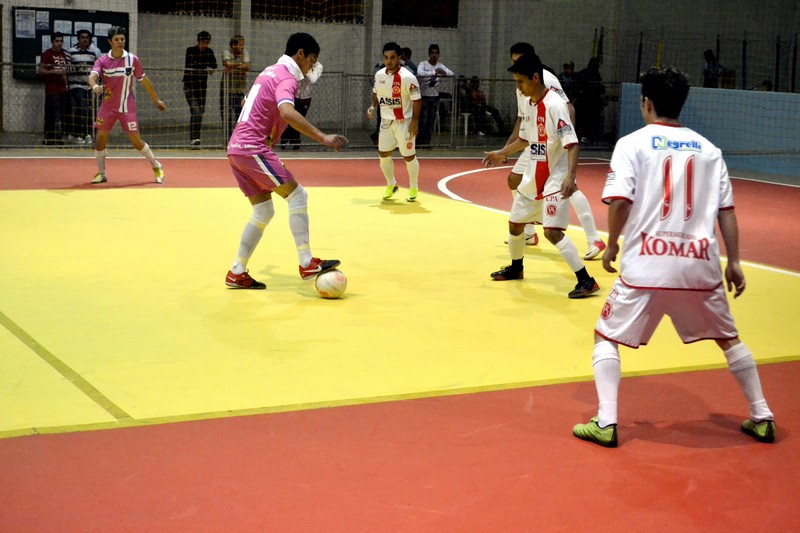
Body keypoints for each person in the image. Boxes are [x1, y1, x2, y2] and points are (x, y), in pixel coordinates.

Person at [572, 67, 775, 447]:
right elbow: (726, 212)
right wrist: (734, 261)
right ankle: (762, 415)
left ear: (645, 103)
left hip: (648, 264)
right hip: (699, 265)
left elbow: (619, 201)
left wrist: (612, 243)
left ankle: (606, 421)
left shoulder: (632, 144)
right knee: (729, 339)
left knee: (605, 336)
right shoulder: (710, 151)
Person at [224, 32, 348, 290]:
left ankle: (237, 271)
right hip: (252, 148)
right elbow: (286, 112)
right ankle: (306, 262)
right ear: (300, 54)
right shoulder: (286, 77)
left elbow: (254, 105)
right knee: (298, 196)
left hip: (237, 149)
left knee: (263, 210)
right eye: (312, 59)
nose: (312, 66)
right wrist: (323, 137)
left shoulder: (269, 71)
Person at [483, 53, 599, 299]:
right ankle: (516, 268)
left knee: (551, 233)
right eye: (515, 81)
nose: (518, 87)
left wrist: (570, 176)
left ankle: (586, 280)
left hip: (554, 179)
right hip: (533, 176)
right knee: (515, 225)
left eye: (520, 81)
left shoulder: (555, 105)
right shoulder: (531, 104)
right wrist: (502, 153)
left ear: (535, 78)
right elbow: (525, 139)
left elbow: (572, 142)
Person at [497, 43, 605, 259]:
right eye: (512, 61)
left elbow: (568, 108)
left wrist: (566, 142)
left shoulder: (546, 78)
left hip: (552, 143)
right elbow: (522, 118)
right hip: (533, 142)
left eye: (517, 61)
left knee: (568, 188)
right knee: (514, 179)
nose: (514, 65)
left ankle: (595, 239)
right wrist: (506, 149)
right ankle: (528, 231)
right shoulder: (520, 81)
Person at [88, 26, 167, 184]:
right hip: (107, 107)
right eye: (116, 39)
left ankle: (156, 165)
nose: (120, 42)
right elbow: (92, 77)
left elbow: (144, 80)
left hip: (126, 107)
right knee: (100, 138)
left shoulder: (132, 60)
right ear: (110, 41)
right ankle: (102, 173)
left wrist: (156, 100)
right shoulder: (103, 60)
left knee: (136, 142)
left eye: (122, 39)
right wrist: (94, 86)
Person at [367, 41, 422, 202]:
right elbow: (376, 92)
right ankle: (392, 184)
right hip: (385, 122)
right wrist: (372, 106)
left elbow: (417, 100)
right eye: (386, 57)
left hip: (404, 122)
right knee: (383, 155)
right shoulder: (379, 75)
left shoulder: (408, 77)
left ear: (399, 58)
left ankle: (413, 187)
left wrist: (415, 122)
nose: (388, 61)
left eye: (392, 57)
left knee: (408, 156)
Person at [182, 31, 218, 148]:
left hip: (202, 87)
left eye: (207, 43)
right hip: (189, 85)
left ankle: (194, 138)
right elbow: (190, 65)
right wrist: (204, 67)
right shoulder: (190, 50)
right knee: (196, 111)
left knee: (198, 113)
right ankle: (195, 138)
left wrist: (207, 68)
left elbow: (214, 66)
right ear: (198, 41)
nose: (205, 45)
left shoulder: (209, 52)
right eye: (203, 42)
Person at [66, 29, 101, 145]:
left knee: (87, 109)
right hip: (75, 84)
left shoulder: (92, 53)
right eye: (82, 37)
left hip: (88, 86)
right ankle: (79, 134)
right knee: (82, 105)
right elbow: (67, 68)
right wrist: (77, 67)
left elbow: (96, 69)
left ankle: (85, 134)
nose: (85, 39)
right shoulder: (70, 52)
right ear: (78, 39)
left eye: (87, 37)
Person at [280, 58, 323, 150]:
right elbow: (292, 76)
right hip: (293, 95)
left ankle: (295, 141)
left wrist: (305, 68)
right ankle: (284, 139)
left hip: (305, 97)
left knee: (299, 119)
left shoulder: (318, 66)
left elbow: (313, 79)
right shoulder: (297, 62)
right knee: (289, 119)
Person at [416, 44, 454, 147]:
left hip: (434, 97)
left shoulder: (440, 65)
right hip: (424, 96)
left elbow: (451, 73)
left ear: (438, 54)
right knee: (423, 120)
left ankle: (426, 141)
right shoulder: (423, 64)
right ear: (429, 54)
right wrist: (434, 73)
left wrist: (443, 72)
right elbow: (419, 72)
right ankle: (419, 141)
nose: (434, 55)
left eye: (436, 53)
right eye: (432, 53)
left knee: (431, 120)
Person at [38, 32, 70, 145]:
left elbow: (65, 71)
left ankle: (58, 136)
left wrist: (66, 85)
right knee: (52, 114)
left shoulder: (63, 55)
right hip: (52, 89)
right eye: (57, 41)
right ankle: (49, 137)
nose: (59, 43)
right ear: (52, 42)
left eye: (61, 41)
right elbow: (40, 70)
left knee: (61, 114)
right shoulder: (47, 54)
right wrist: (52, 71)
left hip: (62, 89)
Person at [220, 34, 251, 141]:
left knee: (240, 114)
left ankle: (238, 138)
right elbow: (227, 63)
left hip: (239, 88)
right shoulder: (226, 52)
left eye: (243, 45)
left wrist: (234, 66)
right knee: (226, 114)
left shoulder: (245, 52)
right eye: (240, 45)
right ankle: (227, 138)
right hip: (227, 88)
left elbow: (247, 67)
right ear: (233, 46)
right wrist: (239, 65)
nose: (242, 47)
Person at [574, 57, 606, 144]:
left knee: (584, 122)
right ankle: (582, 137)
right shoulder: (589, 74)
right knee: (584, 121)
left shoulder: (593, 74)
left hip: (589, 103)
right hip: (587, 103)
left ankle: (583, 137)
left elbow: (600, 88)